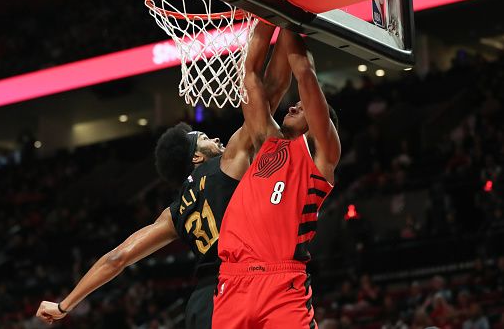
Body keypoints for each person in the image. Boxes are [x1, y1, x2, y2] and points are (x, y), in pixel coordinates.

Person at [35, 25, 293, 328]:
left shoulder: (174, 213)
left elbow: (117, 259)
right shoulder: (228, 161)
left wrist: (64, 305)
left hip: (202, 305)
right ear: (196, 157)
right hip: (241, 287)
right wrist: (287, 25)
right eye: (205, 138)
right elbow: (272, 89)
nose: (217, 140)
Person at [212, 25, 341, 328]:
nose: (294, 104)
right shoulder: (267, 142)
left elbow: (305, 74)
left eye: (303, 106)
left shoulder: (322, 156)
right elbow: (251, 75)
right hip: (233, 279)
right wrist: (267, 15)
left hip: (283, 284)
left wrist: (291, 18)